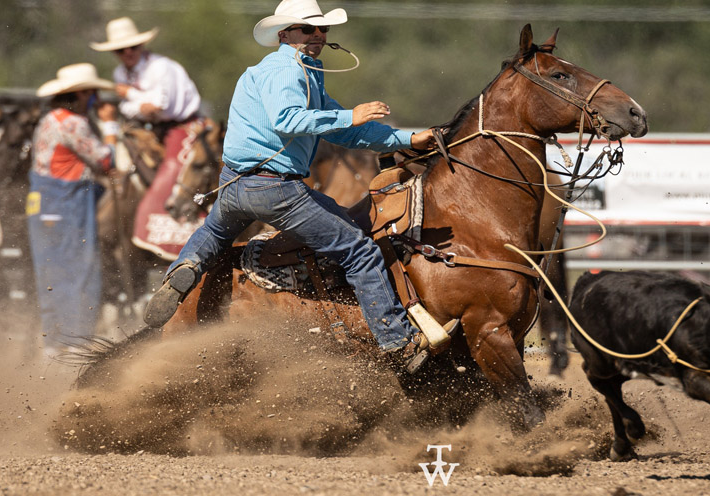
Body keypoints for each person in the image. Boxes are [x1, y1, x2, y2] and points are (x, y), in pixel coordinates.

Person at [143, 0, 438, 373]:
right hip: (276, 191)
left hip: (234, 186)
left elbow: (346, 131)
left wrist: (409, 138)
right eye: (306, 28)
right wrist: (352, 113)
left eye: (321, 29)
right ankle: (397, 340)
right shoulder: (287, 70)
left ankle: (183, 269)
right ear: (284, 34)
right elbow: (289, 119)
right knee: (358, 248)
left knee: (214, 232)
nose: (316, 35)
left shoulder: (301, 71)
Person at [90, 17, 206, 257]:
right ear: (115, 53)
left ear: (142, 46)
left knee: (176, 170)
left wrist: (131, 94)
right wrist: (137, 102)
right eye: (121, 50)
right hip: (150, 128)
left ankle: (183, 233)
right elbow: (132, 109)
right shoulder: (120, 72)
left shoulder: (161, 68)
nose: (128, 52)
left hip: (184, 126)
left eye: (132, 47)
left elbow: (158, 107)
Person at [28, 63, 118, 356]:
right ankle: (76, 338)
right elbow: (105, 160)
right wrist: (110, 128)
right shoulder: (73, 124)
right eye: (92, 93)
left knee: (51, 270)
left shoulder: (49, 120)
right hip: (66, 203)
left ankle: (53, 340)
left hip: (44, 201)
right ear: (81, 94)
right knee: (79, 267)